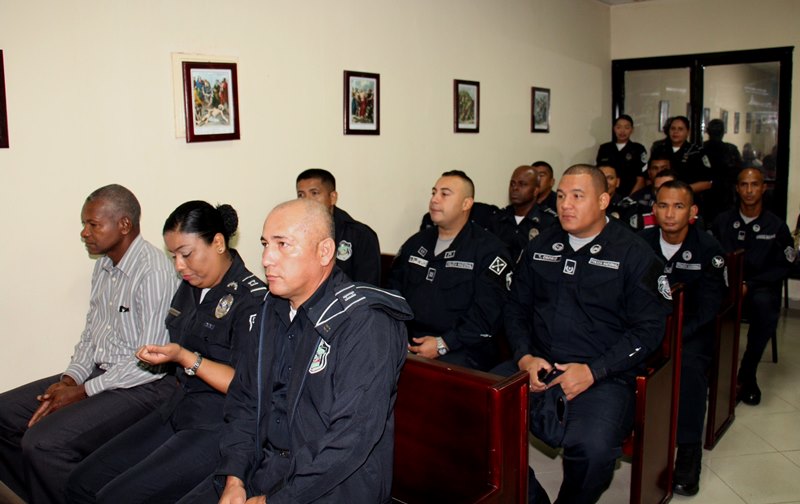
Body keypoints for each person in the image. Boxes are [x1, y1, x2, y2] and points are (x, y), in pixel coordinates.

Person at [182, 198, 412, 503]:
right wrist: (234, 478)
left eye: (283, 244)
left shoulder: (365, 323)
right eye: (265, 244)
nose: (266, 258)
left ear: (324, 251)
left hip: (332, 487)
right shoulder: (269, 309)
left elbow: (351, 439)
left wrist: (276, 501)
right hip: (264, 470)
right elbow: (244, 401)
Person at [65, 201, 267, 503]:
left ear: (218, 243)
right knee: (81, 482)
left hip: (218, 423)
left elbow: (244, 385)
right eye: (173, 256)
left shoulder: (252, 300)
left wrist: (185, 357)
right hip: (178, 407)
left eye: (186, 254)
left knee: (117, 497)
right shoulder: (190, 286)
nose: (179, 266)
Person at [500, 165, 672, 503]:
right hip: (538, 363)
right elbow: (515, 307)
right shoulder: (541, 245)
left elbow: (650, 329)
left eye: (577, 196)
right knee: (474, 415)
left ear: (603, 200)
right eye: (562, 196)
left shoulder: (634, 253)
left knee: (593, 451)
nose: (566, 205)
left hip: (604, 374)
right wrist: (524, 356)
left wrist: (595, 371)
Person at [0, 184, 178, 504]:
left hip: (145, 385)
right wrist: (70, 379)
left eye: (93, 224)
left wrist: (82, 391)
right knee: (4, 415)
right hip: (103, 374)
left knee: (42, 444)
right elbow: (92, 335)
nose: (84, 233)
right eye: (85, 224)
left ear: (124, 224)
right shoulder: (104, 265)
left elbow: (151, 362)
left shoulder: (153, 271)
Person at [639, 181, 726, 496]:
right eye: (663, 205)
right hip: (646, 329)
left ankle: (688, 450)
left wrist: (673, 334)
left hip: (691, 332)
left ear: (692, 212)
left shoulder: (709, 249)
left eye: (678, 206)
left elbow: (710, 308)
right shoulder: (640, 244)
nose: (669, 213)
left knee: (688, 369)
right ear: (654, 210)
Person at [389, 170, 512, 371]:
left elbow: (487, 314)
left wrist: (444, 343)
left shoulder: (489, 250)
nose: (434, 199)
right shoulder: (416, 243)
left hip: (464, 348)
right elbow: (393, 293)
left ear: (466, 204)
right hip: (410, 340)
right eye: (434, 192)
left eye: (444, 194)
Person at [711, 168, 795, 406]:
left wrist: (750, 284)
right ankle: (709, 369)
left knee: (765, 306)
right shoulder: (722, 222)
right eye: (744, 185)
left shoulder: (776, 226)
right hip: (725, 285)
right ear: (737, 189)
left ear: (763, 188)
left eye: (754, 185)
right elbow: (710, 257)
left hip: (759, 289)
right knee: (702, 301)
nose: (749, 190)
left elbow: (784, 264)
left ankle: (747, 375)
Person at [296, 168, 381, 285]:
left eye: (314, 193)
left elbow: (368, 288)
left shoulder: (360, 235)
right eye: (301, 195)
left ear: (333, 197)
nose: (307, 201)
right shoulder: (295, 233)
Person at [490, 165, 558, 262]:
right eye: (512, 184)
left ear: (535, 191)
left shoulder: (548, 222)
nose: (515, 188)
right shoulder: (499, 218)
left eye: (522, 184)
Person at [652, 116, 712, 210]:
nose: (675, 132)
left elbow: (707, 183)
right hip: (661, 199)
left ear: (687, 132)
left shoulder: (696, 152)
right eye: (673, 129)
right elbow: (650, 176)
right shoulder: (659, 149)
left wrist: (680, 191)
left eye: (680, 129)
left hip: (688, 200)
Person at [595, 114, 648, 197]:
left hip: (631, 195)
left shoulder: (638, 149)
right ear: (614, 129)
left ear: (632, 130)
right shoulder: (605, 148)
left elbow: (641, 179)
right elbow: (599, 174)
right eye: (618, 127)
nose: (622, 131)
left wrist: (629, 199)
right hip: (608, 194)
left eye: (627, 127)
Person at [703, 118, 742, 224]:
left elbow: (739, 173)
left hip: (725, 194)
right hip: (708, 194)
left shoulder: (730, 150)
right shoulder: (700, 149)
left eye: (718, 130)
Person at [598, 163, 638, 228]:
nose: (605, 182)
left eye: (610, 178)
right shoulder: (588, 204)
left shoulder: (628, 206)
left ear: (617, 182)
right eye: (601, 178)